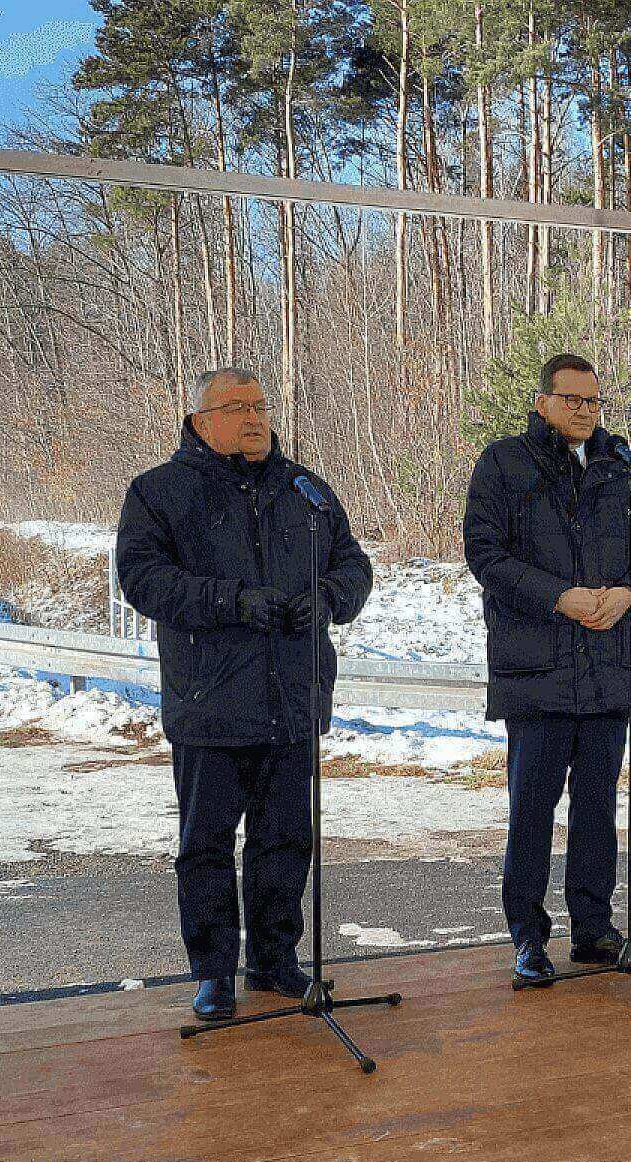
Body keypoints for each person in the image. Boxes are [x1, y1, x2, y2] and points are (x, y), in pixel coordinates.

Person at [115, 368, 373, 1022]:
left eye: (260, 405)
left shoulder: (305, 489)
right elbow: (144, 580)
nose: (255, 417)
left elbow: (354, 563)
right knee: (206, 845)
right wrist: (230, 601)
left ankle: (273, 959)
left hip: (292, 697)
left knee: (284, 839)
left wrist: (331, 599)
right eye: (238, 407)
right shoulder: (158, 493)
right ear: (202, 421)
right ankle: (212, 973)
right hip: (210, 702)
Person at [463, 353, 631, 987]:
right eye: (573, 399)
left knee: (597, 807)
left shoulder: (621, 468)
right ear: (542, 402)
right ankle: (528, 935)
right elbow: (486, 556)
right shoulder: (504, 465)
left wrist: (630, 594)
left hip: (607, 668)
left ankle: (594, 927)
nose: (585, 411)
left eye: (593, 401)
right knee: (533, 808)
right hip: (539, 671)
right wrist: (559, 597)